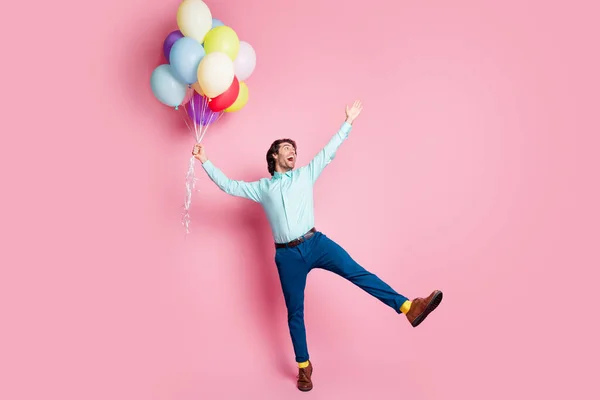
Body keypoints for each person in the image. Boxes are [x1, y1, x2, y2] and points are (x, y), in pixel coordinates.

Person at [192, 100, 443, 392]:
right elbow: (230, 186)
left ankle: (408, 307)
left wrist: (347, 123)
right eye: (287, 148)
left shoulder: (305, 174)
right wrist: (205, 160)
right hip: (287, 256)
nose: (292, 152)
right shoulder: (263, 187)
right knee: (294, 311)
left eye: (294, 149)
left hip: (316, 243)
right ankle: (304, 366)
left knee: (357, 272)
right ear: (274, 155)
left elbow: (329, 152)